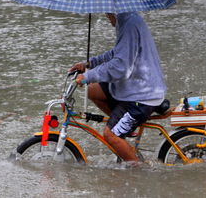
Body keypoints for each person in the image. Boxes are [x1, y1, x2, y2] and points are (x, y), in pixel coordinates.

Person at [69, 12, 167, 163]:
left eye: (108, 13)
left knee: (110, 135)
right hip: (135, 86)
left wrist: (88, 76)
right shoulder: (126, 19)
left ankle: (139, 171)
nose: (106, 16)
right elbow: (117, 54)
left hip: (142, 95)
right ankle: (125, 129)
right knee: (93, 90)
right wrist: (89, 64)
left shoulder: (129, 24)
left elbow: (120, 67)